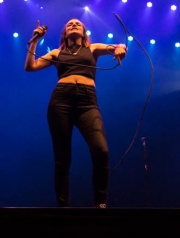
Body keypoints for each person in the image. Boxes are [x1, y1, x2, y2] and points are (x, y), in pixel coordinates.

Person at [24, 18, 127, 208]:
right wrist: (35, 40)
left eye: (78, 24)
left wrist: (121, 48)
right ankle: (63, 206)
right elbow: (30, 67)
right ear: (64, 33)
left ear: (84, 32)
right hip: (61, 101)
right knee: (62, 157)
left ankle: (101, 203)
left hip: (87, 102)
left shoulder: (93, 48)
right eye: (69, 24)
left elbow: (117, 46)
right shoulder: (57, 52)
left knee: (101, 150)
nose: (73, 25)